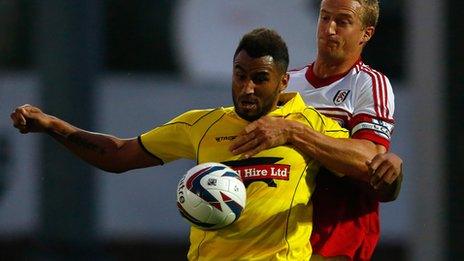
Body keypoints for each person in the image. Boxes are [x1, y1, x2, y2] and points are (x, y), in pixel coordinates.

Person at [11, 28, 350, 261]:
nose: (247, 88)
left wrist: (294, 133)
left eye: (260, 78)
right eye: (240, 74)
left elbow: (365, 162)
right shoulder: (200, 125)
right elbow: (118, 154)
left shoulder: (310, 125)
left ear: (283, 81)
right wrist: (52, 125)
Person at [229, 1, 403, 260]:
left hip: (334, 245)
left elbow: (367, 161)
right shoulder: (287, 82)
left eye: (342, 22)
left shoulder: (367, 83)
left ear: (366, 33)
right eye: (324, 18)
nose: (329, 29)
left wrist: (294, 132)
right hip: (278, 243)